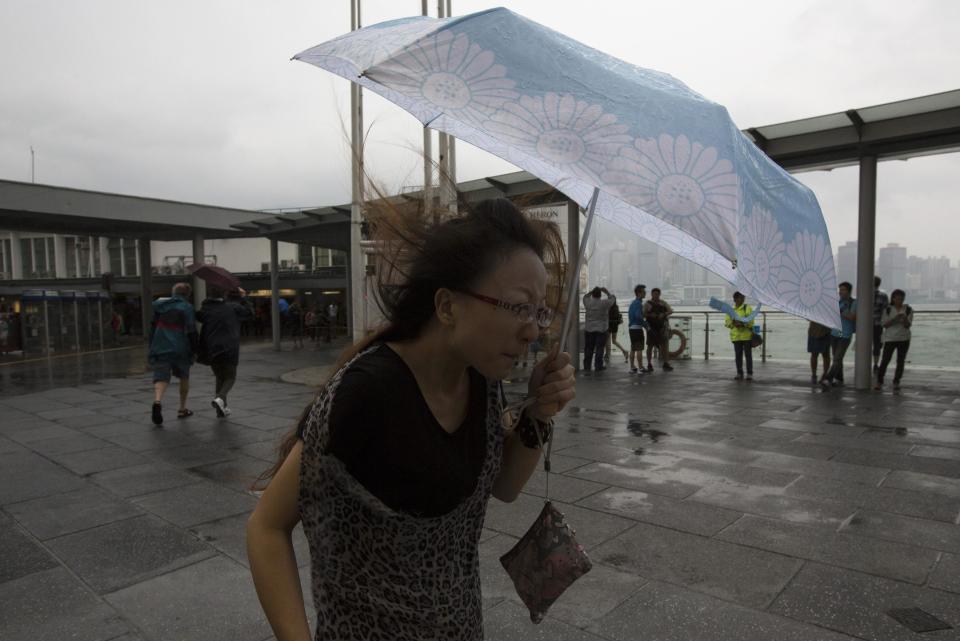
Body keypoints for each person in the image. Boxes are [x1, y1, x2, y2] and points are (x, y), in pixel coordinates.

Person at [246, 198, 575, 641]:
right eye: (518, 307)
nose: (533, 330)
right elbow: (267, 526)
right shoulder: (369, 391)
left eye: (538, 312)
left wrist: (539, 413)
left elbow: (505, 486)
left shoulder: (480, 380)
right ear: (447, 306)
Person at [198, 286, 253, 417]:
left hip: (211, 348)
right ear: (224, 295)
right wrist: (244, 297)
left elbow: (199, 316)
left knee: (219, 377)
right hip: (229, 348)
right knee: (230, 377)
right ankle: (220, 398)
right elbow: (250, 313)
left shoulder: (207, 309)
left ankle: (221, 409)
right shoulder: (233, 307)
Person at [148, 282, 197, 425]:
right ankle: (182, 408)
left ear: (173, 292)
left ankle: (157, 401)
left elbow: (153, 326)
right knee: (184, 376)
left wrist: (152, 345)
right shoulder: (187, 307)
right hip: (180, 347)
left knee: (160, 377)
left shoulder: (160, 305)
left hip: (160, 345)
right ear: (187, 295)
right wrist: (195, 349)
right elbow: (191, 330)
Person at [875, 289, 913, 391]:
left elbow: (908, 325)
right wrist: (895, 319)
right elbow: (884, 324)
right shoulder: (887, 309)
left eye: (901, 299)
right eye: (897, 298)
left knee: (900, 361)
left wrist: (904, 319)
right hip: (890, 338)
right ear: (893, 299)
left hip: (904, 338)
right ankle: (879, 381)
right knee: (885, 360)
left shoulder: (908, 309)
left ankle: (896, 381)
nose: (899, 301)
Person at [823, 281, 857, 387]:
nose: (840, 292)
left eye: (843, 289)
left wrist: (840, 312)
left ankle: (828, 378)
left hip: (845, 335)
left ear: (849, 291)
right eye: (840, 289)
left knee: (837, 358)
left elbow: (852, 317)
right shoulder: (838, 302)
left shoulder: (853, 302)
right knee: (837, 358)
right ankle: (839, 378)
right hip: (834, 333)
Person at [582, 286, 615, 371]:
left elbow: (585, 297)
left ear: (592, 295)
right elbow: (612, 300)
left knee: (588, 349)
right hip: (601, 329)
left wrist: (591, 292)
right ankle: (598, 366)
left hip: (589, 329)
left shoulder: (588, 303)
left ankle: (587, 366)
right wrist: (606, 292)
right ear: (600, 295)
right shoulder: (604, 303)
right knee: (599, 348)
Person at [724, 291, 754, 381]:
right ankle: (739, 373)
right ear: (735, 299)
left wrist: (743, 324)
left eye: (743, 297)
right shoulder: (730, 310)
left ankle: (749, 373)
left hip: (746, 336)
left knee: (748, 355)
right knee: (738, 355)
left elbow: (751, 321)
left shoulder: (747, 308)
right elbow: (727, 322)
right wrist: (733, 323)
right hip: (736, 336)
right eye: (741, 297)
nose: (743, 299)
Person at [643, 288, 674, 371]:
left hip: (662, 328)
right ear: (651, 294)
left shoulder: (663, 303)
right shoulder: (647, 304)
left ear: (659, 294)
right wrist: (650, 315)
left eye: (657, 294)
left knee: (664, 346)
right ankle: (649, 364)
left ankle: (666, 363)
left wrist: (663, 314)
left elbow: (671, 311)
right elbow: (643, 314)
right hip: (651, 328)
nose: (655, 295)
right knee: (650, 346)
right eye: (654, 294)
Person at [627, 284, 647, 374]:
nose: (645, 293)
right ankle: (641, 367)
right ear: (639, 293)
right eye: (644, 292)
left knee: (633, 348)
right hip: (637, 328)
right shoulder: (638, 303)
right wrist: (646, 325)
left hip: (631, 328)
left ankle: (632, 367)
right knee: (639, 349)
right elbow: (638, 316)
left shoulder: (632, 303)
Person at [605, 297, 629, 365]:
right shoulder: (616, 307)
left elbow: (606, 316)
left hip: (609, 325)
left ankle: (607, 355)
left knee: (607, 340)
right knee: (614, 341)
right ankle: (624, 351)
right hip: (615, 325)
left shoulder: (608, 307)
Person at [872, 276, 889, 372]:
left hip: (865, 325)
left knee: (863, 344)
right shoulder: (883, 295)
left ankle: (864, 361)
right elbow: (886, 311)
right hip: (878, 324)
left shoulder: (863, 293)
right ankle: (875, 364)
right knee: (877, 344)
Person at [807, 321, 832, 385]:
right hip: (816, 331)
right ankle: (815, 375)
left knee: (822, 355)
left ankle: (821, 374)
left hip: (823, 331)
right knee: (817, 355)